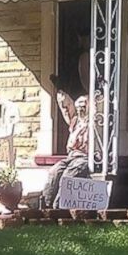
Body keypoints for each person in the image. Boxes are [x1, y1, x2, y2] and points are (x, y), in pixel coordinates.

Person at [41, 79, 92, 210]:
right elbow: (65, 105)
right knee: (54, 172)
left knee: (68, 175)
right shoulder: (75, 121)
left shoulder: (95, 122)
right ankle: (46, 206)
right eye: (79, 104)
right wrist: (60, 91)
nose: (81, 107)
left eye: (84, 105)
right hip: (71, 156)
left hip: (85, 158)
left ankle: (59, 207)